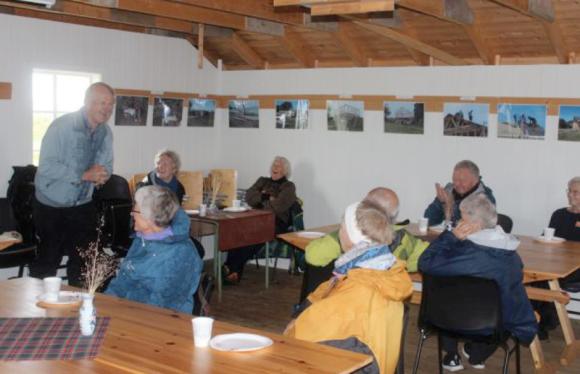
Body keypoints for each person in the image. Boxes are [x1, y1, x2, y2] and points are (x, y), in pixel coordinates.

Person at [285, 201, 413, 374]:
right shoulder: (384, 270)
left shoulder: (359, 286)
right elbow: (327, 291)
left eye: (342, 226)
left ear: (353, 237)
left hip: (358, 365)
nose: (340, 232)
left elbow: (298, 337)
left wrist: (294, 324)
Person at [418, 194, 537, 371]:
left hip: (444, 319)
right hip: (493, 326)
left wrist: (450, 237)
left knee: (449, 291)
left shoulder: (460, 254)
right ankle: (477, 353)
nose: (458, 222)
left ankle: (453, 353)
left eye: (461, 218)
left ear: (475, 225)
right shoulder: (512, 257)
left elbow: (425, 262)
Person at [31, 82, 115, 286]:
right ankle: (37, 313)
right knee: (48, 262)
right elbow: (46, 166)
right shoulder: (62, 126)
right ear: (87, 103)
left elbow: (107, 166)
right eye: (101, 103)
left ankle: (78, 309)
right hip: (51, 204)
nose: (107, 109)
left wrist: (104, 175)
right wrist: (85, 175)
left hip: (82, 204)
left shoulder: (106, 133)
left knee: (83, 260)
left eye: (110, 104)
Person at [302, 187, 428, 301]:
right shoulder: (406, 238)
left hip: (349, 300)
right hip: (385, 303)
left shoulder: (351, 235)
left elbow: (312, 255)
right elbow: (422, 260)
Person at [105, 186, 202, 313]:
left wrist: (123, 313)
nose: (132, 213)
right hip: (128, 311)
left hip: (161, 322)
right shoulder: (141, 240)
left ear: (150, 217)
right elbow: (121, 283)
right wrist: (103, 304)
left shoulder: (181, 253)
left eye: (136, 209)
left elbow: (164, 305)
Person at [222, 156, 298, 283]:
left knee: (254, 236)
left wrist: (260, 201)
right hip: (255, 218)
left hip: (276, 222)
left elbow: (278, 207)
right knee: (237, 233)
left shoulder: (289, 187)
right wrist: (267, 198)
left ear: (285, 171)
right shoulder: (262, 181)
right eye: (274, 165)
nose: (275, 167)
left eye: (279, 166)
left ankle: (230, 268)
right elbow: (249, 196)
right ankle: (233, 271)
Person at [534, 176, 580, 339]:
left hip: (576, 268)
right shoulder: (559, 214)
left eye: (575, 192)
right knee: (534, 278)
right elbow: (546, 238)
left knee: (546, 281)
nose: (571, 195)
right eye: (570, 191)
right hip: (554, 263)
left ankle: (546, 322)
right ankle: (538, 321)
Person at [424, 160, 495, 227]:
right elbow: (428, 221)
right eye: (454, 179)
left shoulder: (485, 198)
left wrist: (449, 209)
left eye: (462, 180)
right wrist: (441, 203)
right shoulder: (449, 190)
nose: (457, 184)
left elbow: (463, 229)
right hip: (447, 237)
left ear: (475, 180)